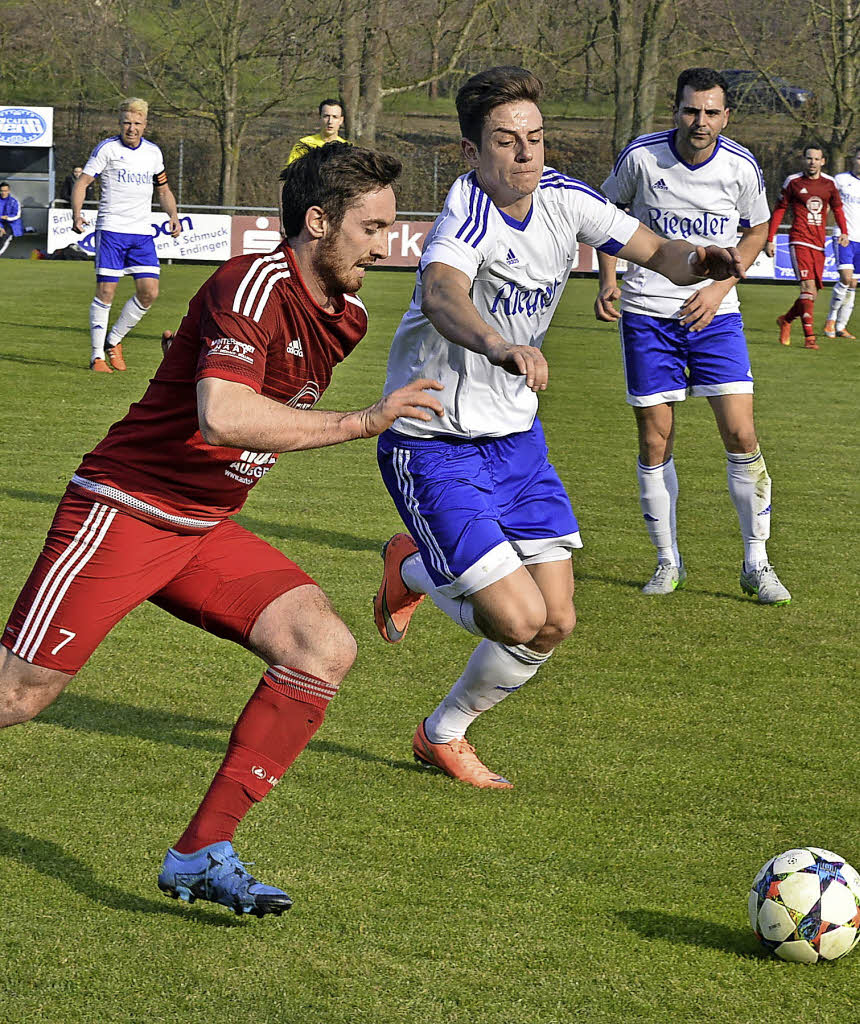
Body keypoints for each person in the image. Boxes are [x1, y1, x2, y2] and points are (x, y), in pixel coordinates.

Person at [0, 142, 443, 917]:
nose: (384, 244)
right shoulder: (253, 280)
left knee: (321, 645)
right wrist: (364, 420)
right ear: (317, 221)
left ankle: (201, 851)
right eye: (371, 227)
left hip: (202, 528)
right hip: (125, 509)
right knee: (19, 693)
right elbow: (224, 414)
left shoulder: (348, 317)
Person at [371, 66, 745, 791]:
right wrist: (498, 344)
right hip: (434, 440)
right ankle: (412, 565)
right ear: (471, 150)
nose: (526, 156)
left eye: (536, 139)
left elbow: (655, 250)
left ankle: (441, 733)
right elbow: (442, 293)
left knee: (556, 622)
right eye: (507, 142)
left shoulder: (567, 198)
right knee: (515, 619)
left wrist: (698, 260)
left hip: (517, 444)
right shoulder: (466, 213)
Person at [595, 66, 791, 607]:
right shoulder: (642, 155)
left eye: (710, 112)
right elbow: (607, 215)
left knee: (741, 435)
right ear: (675, 110)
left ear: (726, 116)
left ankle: (757, 562)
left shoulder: (741, 165)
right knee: (656, 439)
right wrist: (609, 280)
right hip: (648, 315)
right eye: (690, 110)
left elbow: (757, 228)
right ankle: (667, 561)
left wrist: (722, 286)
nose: (700, 121)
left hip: (716, 316)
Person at [71, 98, 182, 373]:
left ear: (145, 125)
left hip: (141, 234)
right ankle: (97, 356)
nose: (131, 128)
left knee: (149, 293)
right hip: (111, 230)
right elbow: (82, 182)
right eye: (126, 123)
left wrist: (173, 215)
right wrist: (77, 214)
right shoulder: (107, 149)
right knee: (106, 291)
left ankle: (114, 340)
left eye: (136, 123)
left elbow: (164, 190)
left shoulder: (154, 153)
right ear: (120, 123)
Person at [766, 145, 848, 349]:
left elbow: (837, 208)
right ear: (804, 160)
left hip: (819, 243)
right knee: (807, 287)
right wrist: (770, 238)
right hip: (799, 239)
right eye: (809, 158)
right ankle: (809, 338)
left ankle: (785, 319)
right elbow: (779, 209)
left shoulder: (829, 184)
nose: (812, 162)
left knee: (813, 293)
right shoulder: (793, 182)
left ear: (823, 162)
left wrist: (844, 231)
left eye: (816, 159)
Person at [824, 145, 860, 339]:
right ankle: (830, 320)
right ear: (853, 159)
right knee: (846, 277)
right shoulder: (841, 180)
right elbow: (828, 205)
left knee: (853, 283)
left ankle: (841, 326)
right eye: (859, 158)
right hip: (844, 236)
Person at [286, 99, 349, 165]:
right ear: (319, 118)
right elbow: (290, 173)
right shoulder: (304, 145)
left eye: (335, 117)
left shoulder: (347, 149)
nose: (330, 121)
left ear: (341, 120)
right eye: (326, 116)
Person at [0, 182, 23, 256]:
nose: (3, 193)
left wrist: (7, 217)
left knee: (4, 237)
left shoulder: (14, 201)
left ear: (9, 191)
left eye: (5, 191)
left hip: (11, 224)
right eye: (2, 191)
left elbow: (17, 215)